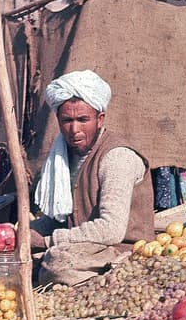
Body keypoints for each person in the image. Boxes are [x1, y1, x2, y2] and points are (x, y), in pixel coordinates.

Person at [30, 69, 154, 285]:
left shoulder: (117, 157)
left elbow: (111, 230)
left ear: (100, 119)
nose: (74, 129)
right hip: (83, 245)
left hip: (119, 250)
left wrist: (46, 241)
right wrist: (24, 233)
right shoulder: (63, 157)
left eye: (83, 119)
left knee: (58, 264)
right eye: (67, 120)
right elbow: (60, 217)